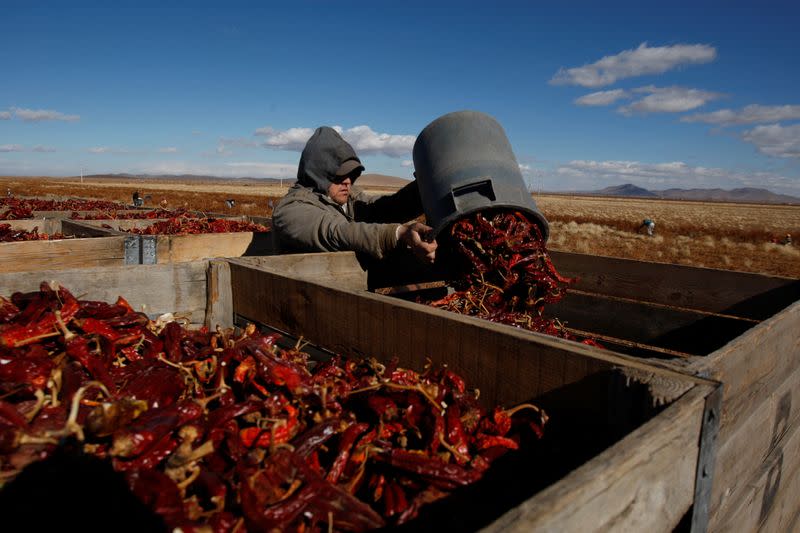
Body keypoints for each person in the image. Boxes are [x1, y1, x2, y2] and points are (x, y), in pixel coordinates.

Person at [272, 127, 437, 269]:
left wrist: (424, 186)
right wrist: (398, 233)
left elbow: (383, 209)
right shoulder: (290, 211)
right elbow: (336, 231)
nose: (348, 181)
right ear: (318, 174)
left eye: (351, 175)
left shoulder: (347, 199)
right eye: (339, 175)